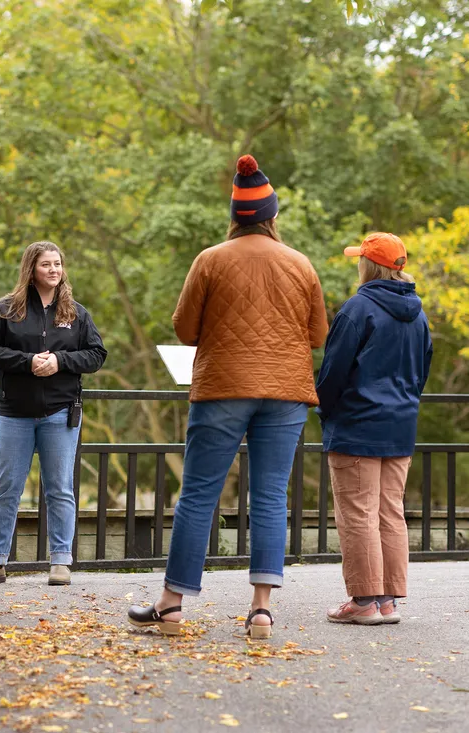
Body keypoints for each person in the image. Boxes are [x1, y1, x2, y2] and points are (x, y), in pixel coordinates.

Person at [128, 155, 328, 639]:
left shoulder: (211, 259)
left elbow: (185, 327)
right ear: (272, 215)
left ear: (235, 216)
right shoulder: (301, 264)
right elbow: (319, 334)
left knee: (198, 494)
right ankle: (260, 611)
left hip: (222, 387)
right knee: (269, 496)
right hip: (285, 392)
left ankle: (171, 605)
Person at [0, 241, 107, 587]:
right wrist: (26, 362)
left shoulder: (76, 313)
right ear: (31, 269)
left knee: (60, 488)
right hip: (14, 414)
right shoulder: (6, 309)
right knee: (6, 489)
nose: (53, 270)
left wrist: (61, 361)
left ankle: (61, 562)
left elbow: (96, 354)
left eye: (58, 264)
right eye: (46, 264)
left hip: (59, 414)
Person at [316, 233, 432, 626]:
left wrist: (326, 413)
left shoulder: (357, 309)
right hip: (399, 426)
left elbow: (332, 373)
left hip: (357, 426)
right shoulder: (418, 314)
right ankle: (388, 601)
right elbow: (422, 372)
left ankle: (364, 600)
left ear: (369, 265)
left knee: (358, 513)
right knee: (389, 512)